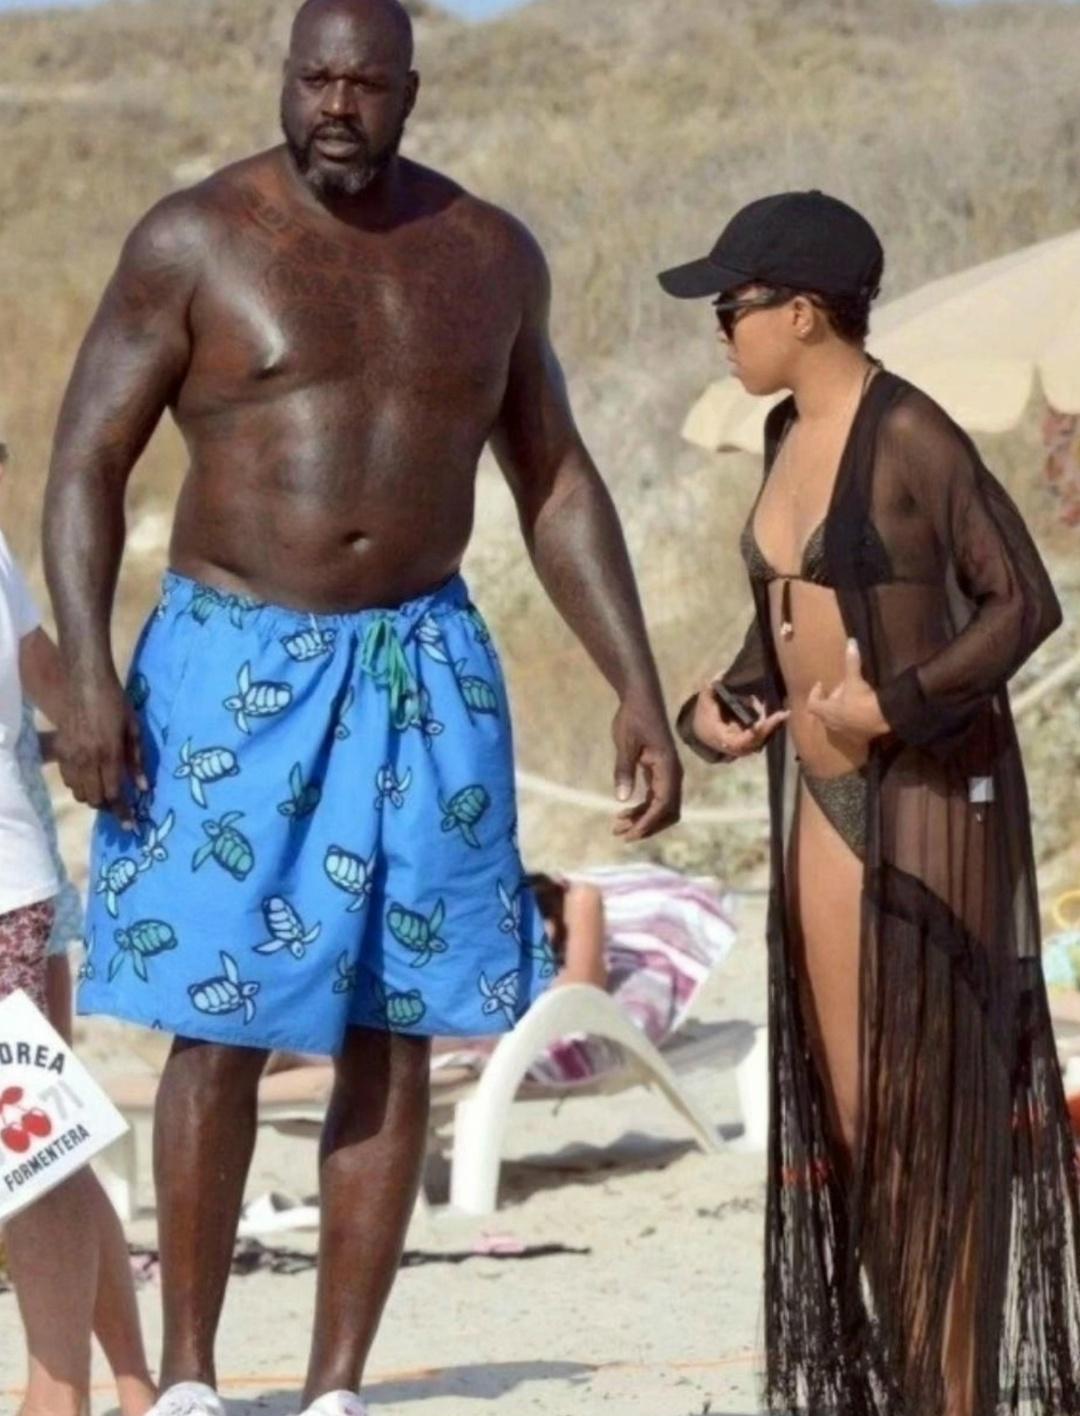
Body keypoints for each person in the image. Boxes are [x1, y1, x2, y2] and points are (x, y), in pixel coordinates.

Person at [41, 1, 681, 1412]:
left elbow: (555, 478)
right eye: (314, 77)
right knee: (218, 1017)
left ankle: (337, 1385)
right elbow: (87, 461)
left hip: (424, 665)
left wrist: (634, 683)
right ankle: (194, 1378)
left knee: (400, 1017)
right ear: (285, 79)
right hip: (230, 666)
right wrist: (87, 670)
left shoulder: (488, 255)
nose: (337, 104)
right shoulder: (195, 239)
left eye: (366, 82)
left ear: (410, 90)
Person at [660, 190, 1080, 1416]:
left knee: (932, 1128)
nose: (721, 330)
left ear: (803, 311)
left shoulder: (911, 433)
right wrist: (724, 707)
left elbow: (1023, 602)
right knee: (858, 1133)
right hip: (821, 802)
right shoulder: (786, 429)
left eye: (732, 308)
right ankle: (916, 1390)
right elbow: (782, 626)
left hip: (926, 797)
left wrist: (894, 706)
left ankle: (956, 1397)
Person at [0, 453, 155, 1416]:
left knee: (29, 1154)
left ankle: (58, 1397)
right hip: (24, 881)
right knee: (42, 1145)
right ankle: (133, 1384)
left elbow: (44, 671)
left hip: (7, 891)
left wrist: (116, 747)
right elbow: (43, 669)